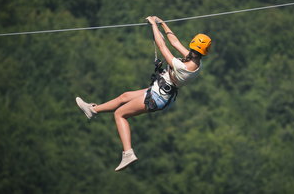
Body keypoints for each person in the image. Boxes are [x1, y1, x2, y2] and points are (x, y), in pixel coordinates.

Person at [75, 16, 211, 171]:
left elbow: (163, 47)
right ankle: (93, 110)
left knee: (119, 114)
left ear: (194, 46)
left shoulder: (183, 67)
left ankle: (128, 153)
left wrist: (154, 25)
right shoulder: (196, 62)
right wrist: (163, 24)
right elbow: (174, 42)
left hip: (158, 97)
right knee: (125, 96)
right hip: (160, 91)